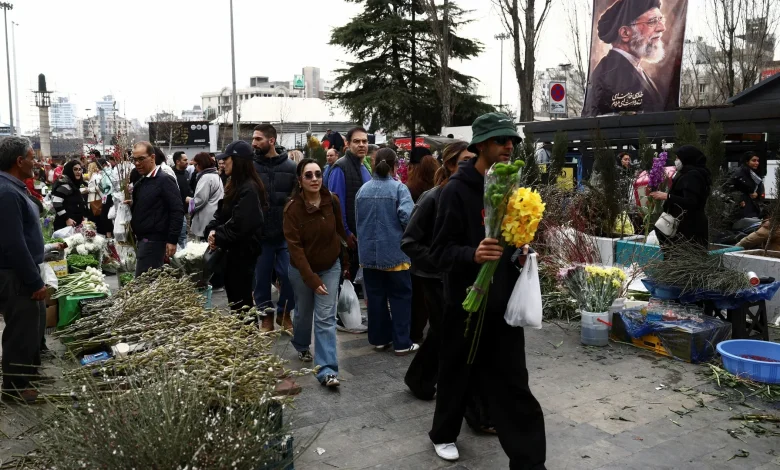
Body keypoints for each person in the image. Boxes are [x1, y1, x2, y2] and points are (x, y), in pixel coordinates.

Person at [428, 113, 546, 465]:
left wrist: (519, 253)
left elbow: (508, 241)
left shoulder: (511, 188)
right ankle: (443, 433)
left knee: (514, 383)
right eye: (500, 140)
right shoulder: (455, 191)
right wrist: (472, 254)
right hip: (465, 305)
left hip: (502, 305)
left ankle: (529, 461)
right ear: (481, 145)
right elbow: (438, 252)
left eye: (512, 140)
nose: (509, 146)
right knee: (456, 374)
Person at [403, 141, 473, 400]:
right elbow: (409, 241)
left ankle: (419, 378)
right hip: (432, 276)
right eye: (465, 161)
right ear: (450, 164)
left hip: (458, 275)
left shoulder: (469, 195)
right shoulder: (432, 196)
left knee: (443, 330)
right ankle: (423, 379)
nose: (472, 166)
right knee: (444, 329)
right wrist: (439, 261)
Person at [284, 158, 349, 387]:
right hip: (302, 270)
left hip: (330, 267)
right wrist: (311, 279)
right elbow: (295, 249)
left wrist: (349, 255)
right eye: (308, 175)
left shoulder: (332, 200)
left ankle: (327, 370)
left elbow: (340, 231)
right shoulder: (292, 209)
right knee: (303, 312)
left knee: (325, 318)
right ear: (300, 181)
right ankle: (301, 344)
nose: (314, 179)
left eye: (318, 174)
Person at [355, 148, 418, 356]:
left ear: (373, 165)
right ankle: (401, 342)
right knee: (400, 297)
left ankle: (379, 339)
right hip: (395, 255)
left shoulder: (362, 191)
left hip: (368, 256)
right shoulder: (399, 189)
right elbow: (408, 220)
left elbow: (359, 223)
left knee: (375, 298)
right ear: (393, 166)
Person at [0, 136, 47, 403]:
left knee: (31, 329)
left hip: (21, 273)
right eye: (32, 156)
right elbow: (12, 243)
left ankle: (26, 377)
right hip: (15, 276)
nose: (35, 161)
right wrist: (33, 281)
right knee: (20, 332)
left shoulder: (13, 187)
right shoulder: (6, 191)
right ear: (19, 161)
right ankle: (15, 388)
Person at [206, 141, 265, 311]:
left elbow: (241, 224)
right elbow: (222, 214)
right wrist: (212, 230)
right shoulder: (235, 184)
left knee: (242, 306)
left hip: (243, 255)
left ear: (238, 161)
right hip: (232, 255)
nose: (223, 163)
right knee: (237, 303)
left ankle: (248, 337)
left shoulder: (249, 188)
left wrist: (217, 235)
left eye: (227, 159)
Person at [582, 0, 666, 116]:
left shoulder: (633, 66)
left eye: (661, 19)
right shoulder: (610, 74)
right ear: (625, 33)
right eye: (652, 21)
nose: (662, 28)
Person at [252, 124, 297, 332]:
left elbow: (296, 200)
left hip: (284, 234)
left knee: (289, 276)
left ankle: (285, 312)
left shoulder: (290, 167)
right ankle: (266, 317)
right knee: (261, 280)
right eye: (253, 139)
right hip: (259, 235)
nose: (254, 143)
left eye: (258, 139)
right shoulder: (250, 167)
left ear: (271, 141)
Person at [129, 141, 184, 276]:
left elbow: (177, 210)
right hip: (144, 241)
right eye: (134, 160)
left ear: (152, 158)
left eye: (141, 159)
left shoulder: (164, 180)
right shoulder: (143, 181)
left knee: (144, 285)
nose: (137, 163)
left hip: (154, 242)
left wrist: (172, 240)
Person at [327, 127, 372, 282]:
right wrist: (345, 232)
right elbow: (335, 204)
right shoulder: (340, 168)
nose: (361, 145)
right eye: (356, 141)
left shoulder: (365, 167)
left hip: (364, 236)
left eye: (364, 141)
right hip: (349, 239)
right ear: (347, 143)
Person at [404, 153, 441, 343]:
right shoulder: (437, 191)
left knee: (417, 299)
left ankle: (414, 334)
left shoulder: (411, 189)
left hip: (419, 255)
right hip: (434, 252)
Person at [650, 145, 711, 249]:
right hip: (688, 226)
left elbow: (692, 202)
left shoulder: (693, 176)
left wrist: (667, 196)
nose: (676, 161)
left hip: (688, 228)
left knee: (684, 257)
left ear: (687, 159)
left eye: (678, 158)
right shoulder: (691, 174)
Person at [188, 152, 223, 243]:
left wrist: (190, 201)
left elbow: (201, 199)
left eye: (196, 164)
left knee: (204, 245)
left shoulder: (206, 177)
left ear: (200, 164)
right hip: (214, 213)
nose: (195, 168)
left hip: (206, 217)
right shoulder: (215, 175)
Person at [51, 160, 88, 230]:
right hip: (64, 227)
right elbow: (56, 203)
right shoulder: (65, 185)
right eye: (75, 169)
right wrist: (66, 218)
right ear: (69, 171)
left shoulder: (74, 185)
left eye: (80, 169)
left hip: (74, 225)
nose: (78, 172)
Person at [729, 151, 765, 219]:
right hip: (742, 208)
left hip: (754, 207)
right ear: (747, 161)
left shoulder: (756, 175)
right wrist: (739, 199)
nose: (757, 163)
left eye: (758, 161)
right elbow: (728, 189)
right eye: (754, 160)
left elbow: (760, 189)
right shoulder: (738, 173)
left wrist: (757, 194)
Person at [172, 152, 193, 249]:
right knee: (180, 237)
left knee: (184, 235)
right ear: (177, 161)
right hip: (176, 211)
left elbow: (189, 189)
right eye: (184, 160)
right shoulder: (171, 175)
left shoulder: (186, 173)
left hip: (187, 210)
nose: (187, 162)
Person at [86, 161, 105, 227]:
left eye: (88, 168)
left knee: (95, 217)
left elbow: (98, 187)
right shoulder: (95, 176)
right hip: (95, 199)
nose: (88, 169)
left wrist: (88, 190)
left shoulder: (96, 177)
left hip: (96, 199)